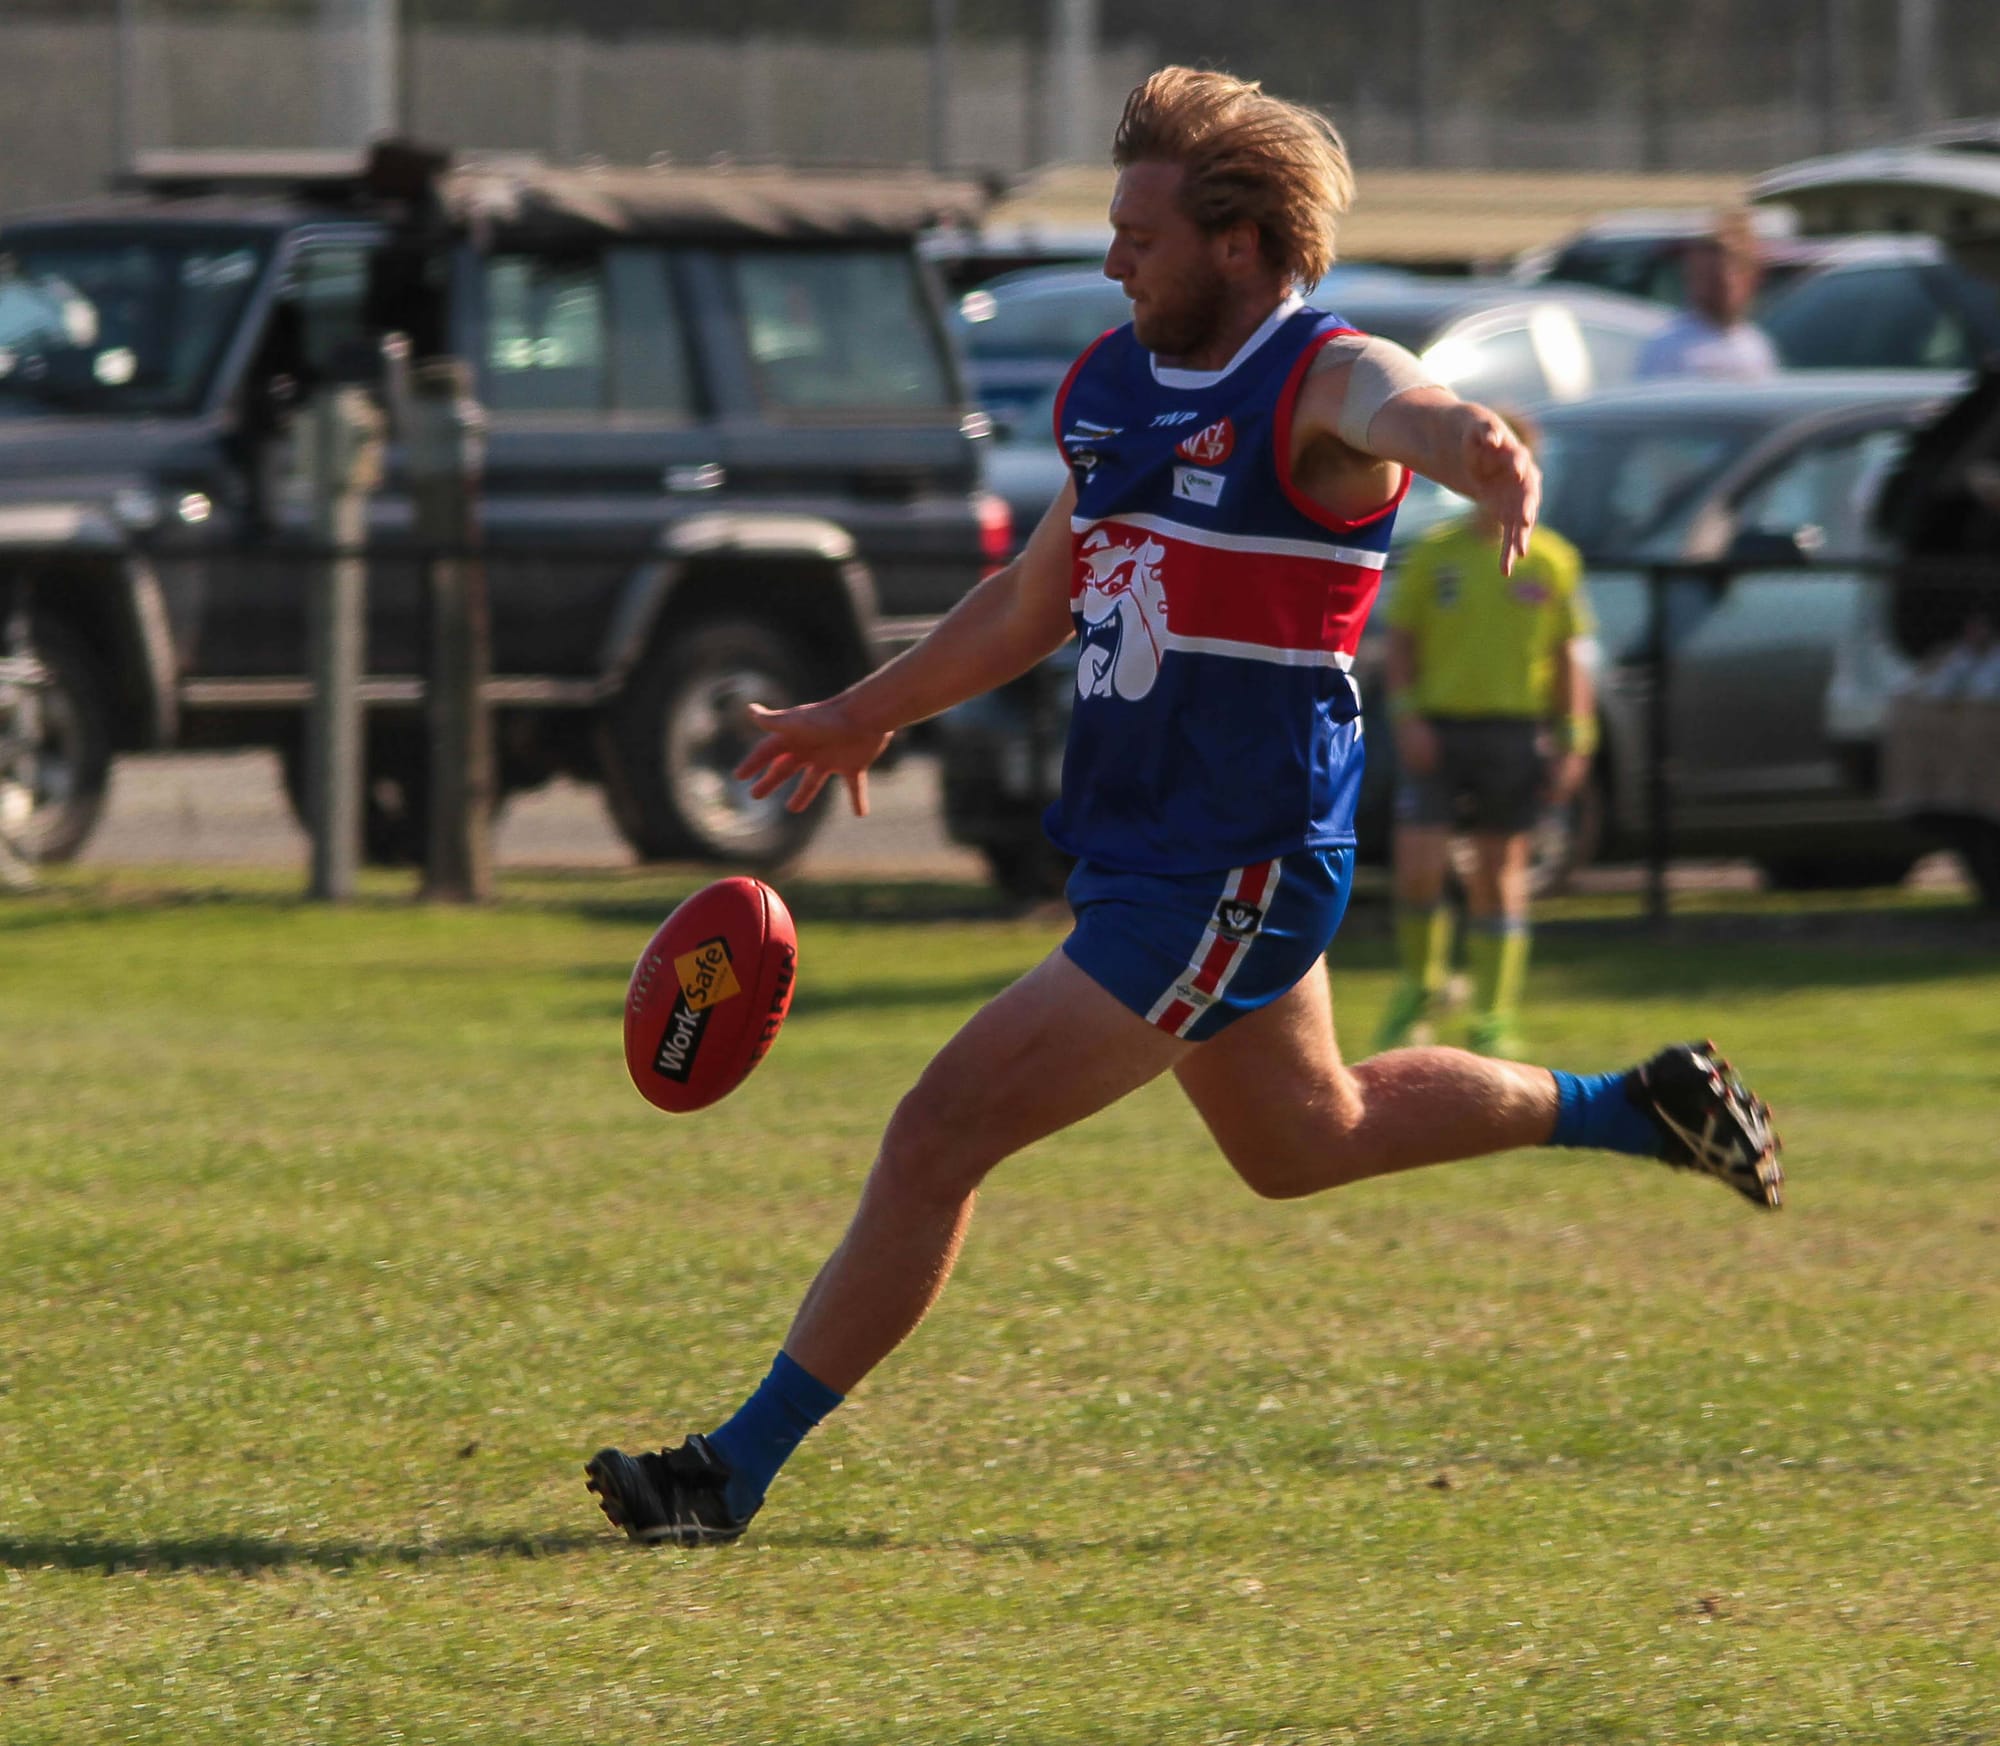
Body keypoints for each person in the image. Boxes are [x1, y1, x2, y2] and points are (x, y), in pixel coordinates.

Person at [585, 68, 1784, 1548]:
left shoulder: (1313, 380)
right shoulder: (1112, 388)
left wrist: (1472, 441)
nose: (1109, 261)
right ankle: (1638, 1103)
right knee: (1305, 1137)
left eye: (1136, 235)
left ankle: (725, 1472)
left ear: (1237, 245)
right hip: (1145, 846)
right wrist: (861, 710)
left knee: (936, 1130)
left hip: (1235, 865)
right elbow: (1034, 598)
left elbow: (1398, 402)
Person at [1373, 413, 1595, 1060]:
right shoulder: (1435, 554)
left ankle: (1493, 1016)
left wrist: (1574, 736)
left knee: (1499, 874)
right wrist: (1408, 715)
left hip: (1512, 733)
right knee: (1418, 866)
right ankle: (1422, 987)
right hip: (1438, 733)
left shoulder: (1552, 560)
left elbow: (1568, 657)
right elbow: (1402, 645)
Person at [1633, 208, 1779, 382]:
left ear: (1753, 276)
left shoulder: (1756, 347)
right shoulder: (1668, 348)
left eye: (1737, 270)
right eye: (1713, 276)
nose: (1727, 283)